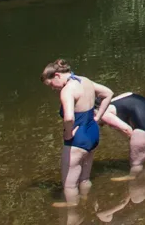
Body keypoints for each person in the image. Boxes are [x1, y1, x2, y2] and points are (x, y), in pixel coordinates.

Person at [42, 60, 113, 207]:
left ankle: (73, 212)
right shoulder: (85, 81)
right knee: (85, 179)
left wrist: (68, 135)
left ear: (57, 75)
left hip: (78, 139)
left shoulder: (67, 90)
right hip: (93, 134)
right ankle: (86, 202)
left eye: (51, 85)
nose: (53, 89)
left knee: (69, 186)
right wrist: (98, 117)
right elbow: (108, 93)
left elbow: (69, 117)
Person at [97, 90, 145, 176]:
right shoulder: (123, 96)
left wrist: (135, 143)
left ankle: (133, 178)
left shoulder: (102, 113)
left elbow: (126, 129)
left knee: (136, 163)